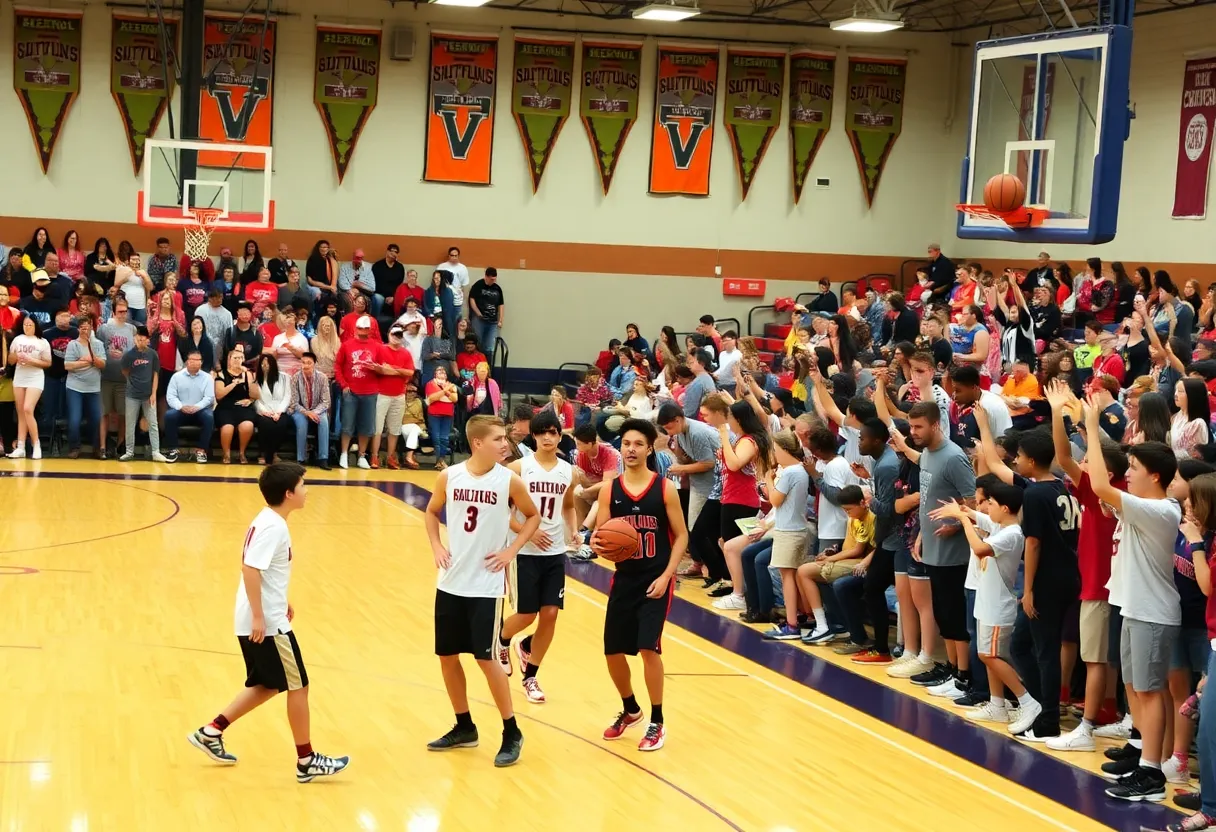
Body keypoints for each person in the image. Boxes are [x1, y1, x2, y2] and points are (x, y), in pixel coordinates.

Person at [187, 462, 349, 781]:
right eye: (303, 485)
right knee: (298, 685)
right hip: (268, 624)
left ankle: (211, 731)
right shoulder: (274, 527)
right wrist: (262, 615)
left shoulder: (270, 521)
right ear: (288, 494)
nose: (307, 490)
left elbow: (264, 570)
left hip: (260, 615)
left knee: (267, 684)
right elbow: (250, 568)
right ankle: (307, 761)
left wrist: (278, 597)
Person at [423, 415, 538, 767]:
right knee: (447, 656)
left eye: (506, 438)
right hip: (451, 582)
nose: (506, 444)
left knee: (486, 659)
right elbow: (430, 511)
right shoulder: (450, 476)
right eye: (499, 439)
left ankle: (511, 731)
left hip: (486, 586)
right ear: (477, 443)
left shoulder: (510, 481)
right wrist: (436, 546)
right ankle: (464, 726)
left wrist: (511, 550)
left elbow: (531, 517)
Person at [1083, 406, 1181, 803]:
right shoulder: (1141, 506)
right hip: (1132, 606)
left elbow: (1102, 487)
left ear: (1154, 475)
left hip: (1152, 612)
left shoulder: (1160, 509)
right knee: (1133, 688)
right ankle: (1143, 756)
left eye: (1135, 467)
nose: (1129, 473)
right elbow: (1104, 493)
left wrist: (1091, 425)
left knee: (1150, 691)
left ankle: (1152, 774)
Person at [593, 419, 688, 752]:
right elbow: (601, 536)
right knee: (612, 651)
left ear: (650, 449)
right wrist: (597, 543)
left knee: (648, 648)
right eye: (626, 443)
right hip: (624, 579)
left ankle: (657, 721)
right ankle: (631, 709)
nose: (631, 449)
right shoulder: (610, 489)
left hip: (656, 580)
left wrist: (667, 576)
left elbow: (682, 537)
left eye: (637, 444)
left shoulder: (664, 489)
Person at [931, 483, 1042, 730]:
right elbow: (981, 518)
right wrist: (963, 511)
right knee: (989, 655)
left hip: (998, 606)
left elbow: (980, 549)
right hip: (987, 604)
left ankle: (1028, 702)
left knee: (989, 655)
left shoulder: (1011, 534)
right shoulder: (1001, 526)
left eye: (990, 503)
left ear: (1004, 508)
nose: (986, 507)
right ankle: (997, 705)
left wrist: (963, 518)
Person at [495, 411, 576, 703]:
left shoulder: (569, 470)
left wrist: (574, 531)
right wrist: (527, 530)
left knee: (551, 614)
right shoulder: (518, 468)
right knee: (528, 614)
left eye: (553, 432)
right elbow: (502, 512)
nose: (548, 437)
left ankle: (530, 676)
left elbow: (568, 506)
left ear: (559, 436)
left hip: (555, 552)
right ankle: (503, 640)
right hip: (524, 551)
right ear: (534, 435)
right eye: (542, 432)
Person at [906, 401, 977, 695]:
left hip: (954, 551)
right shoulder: (925, 455)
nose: (913, 432)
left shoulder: (953, 458)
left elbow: (972, 501)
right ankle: (950, 666)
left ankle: (963, 674)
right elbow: (927, 500)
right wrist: (922, 532)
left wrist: (958, 525)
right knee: (942, 612)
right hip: (933, 546)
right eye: (911, 426)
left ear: (935, 424)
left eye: (918, 427)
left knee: (954, 613)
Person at [334, 315, 380, 469]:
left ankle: (361, 455)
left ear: (370, 329)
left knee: (366, 426)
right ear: (355, 328)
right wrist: (344, 385)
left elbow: (382, 366)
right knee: (347, 424)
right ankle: (344, 454)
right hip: (351, 390)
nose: (363, 331)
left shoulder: (377, 346)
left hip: (370, 391)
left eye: (366, 328)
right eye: (361, 328)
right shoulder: (346, 345)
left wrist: (377, 369)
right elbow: (338, 366)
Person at [369, 326, 415, 469]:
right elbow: (375, 367)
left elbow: (410, 372)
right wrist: (393, 371)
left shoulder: (406, 353)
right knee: (377, 428)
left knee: (394, 429)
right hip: (381, 393)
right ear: (388, 334)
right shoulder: (381, 349)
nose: (396, 336)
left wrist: (392, 370)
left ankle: (390, 457)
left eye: (399, 334)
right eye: (394, 334)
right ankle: (374, 457)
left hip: (399, 395)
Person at [119, 325, 167, 462]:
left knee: (153, 423)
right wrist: (133, 383)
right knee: (130, 423)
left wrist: (153, 393)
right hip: (132, 395)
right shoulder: (128, 356)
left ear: (148, 340)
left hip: (148, 395)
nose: (140, 341)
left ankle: (156, 451)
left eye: (143, 339)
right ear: (134, 339)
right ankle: (129, 451)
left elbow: (156, 374)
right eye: (138, 338)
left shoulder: (153, 354)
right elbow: (125, 372)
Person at [7, 316, 51, 459]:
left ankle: (36, 443)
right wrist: (16, 356)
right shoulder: (17, 339)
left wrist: (31, 360)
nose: (27, 327)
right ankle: (20, 447)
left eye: (30, 324)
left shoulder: (42, 342)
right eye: (25, 324)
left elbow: (47, 363)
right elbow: (10, 361)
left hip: (35, 378)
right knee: (20, 412)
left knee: (28, 409)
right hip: (20, 377)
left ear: (35, 326)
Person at [63, 317, 104, 459]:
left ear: (92, 328)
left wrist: (91, 358)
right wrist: (84, 362)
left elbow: (102, 364)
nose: (85, 330)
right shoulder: (72, 345)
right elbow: (68, 365)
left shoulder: (98, 344)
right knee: (74, 419)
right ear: (78, 329)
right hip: (75, 387)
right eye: (82, 328)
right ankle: (74, 447)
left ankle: (97, 447)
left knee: (97, 419)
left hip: (94, 388)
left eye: (88, 327)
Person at [215, 347, 260, 464]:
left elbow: (255, 395)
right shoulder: (221, 374)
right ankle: (226, 453)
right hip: (226, 406)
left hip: (243, 405)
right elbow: (219, 395)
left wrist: (250, 399)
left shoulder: (248, 374)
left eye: (241, 358)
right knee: (227, 428)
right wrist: (234, 384)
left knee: (247, 426)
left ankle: (242, 453)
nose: (238, 360)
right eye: (235, 358)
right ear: (229, 360)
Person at [289, 352, 331, 470]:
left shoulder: (322, 377)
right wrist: (307, 412)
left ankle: (323, 458)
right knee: (301, 424)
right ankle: (300, 458)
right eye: (303, 362)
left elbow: (326, 401)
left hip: (318, 409)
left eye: (309, 363)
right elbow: (294, 402)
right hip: (300, 410)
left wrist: (315, 412)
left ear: (314, 364)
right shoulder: (295, 377)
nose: (306, 365)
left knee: (323, 422)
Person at [255, 354, 292, 464]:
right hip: (264, 410)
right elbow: (255, 399)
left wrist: (279, 412)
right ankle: (264, 453)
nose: (265, 366)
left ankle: (273, 453)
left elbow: (287, 396)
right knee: (266, 424)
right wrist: (263, 411)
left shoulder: (285, 377)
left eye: (267, 364)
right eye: (262, 364)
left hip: (280, 410)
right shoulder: (256, 379)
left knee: (280, 424)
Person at [425, 366, 458, 470]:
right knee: (436, 437)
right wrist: (446, 391)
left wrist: (446, 391)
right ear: (435, 374)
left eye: (443, 371)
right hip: (434, 415)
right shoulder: (430, 384)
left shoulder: (451, 385)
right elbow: (432, 398)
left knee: (444, 438)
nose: (441, 372)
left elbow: (455, 399)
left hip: (448, 415)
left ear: (446, 375)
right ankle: (440, 461)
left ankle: (441, 460)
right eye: (439, 370)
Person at [467, 267, 504, 355]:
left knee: (489, 346)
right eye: (491, 279)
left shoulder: (497, 288)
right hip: (479, 319)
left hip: (492, 321)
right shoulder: (478, 285)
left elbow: (501, 304)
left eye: (495, 279)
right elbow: (472, 300)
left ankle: (487, 366)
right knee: (477, 343)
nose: (493, 281)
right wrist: (478, 314)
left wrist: (501, 320)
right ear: (486, 276)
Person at [436, 246, 470, 318]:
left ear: (458, 256)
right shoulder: (441, 267)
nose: (454, 257)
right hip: (443, 298)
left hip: (457, 301)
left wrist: (463, 301)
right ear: (449, 256)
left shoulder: (462, 268)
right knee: (443, 320)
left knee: (456, 321)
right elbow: (436, 283)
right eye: (452, 255)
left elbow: (464, 286)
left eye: (456, 255)